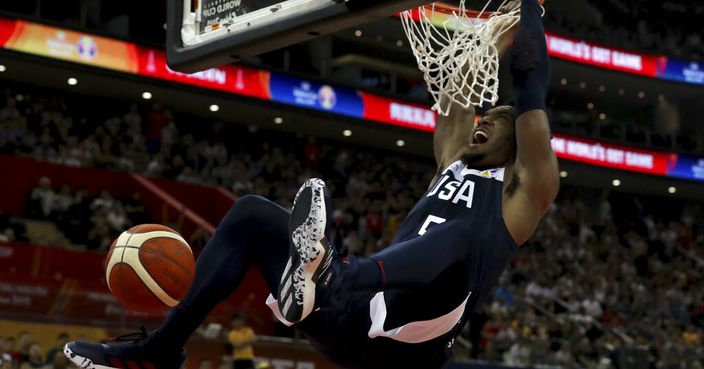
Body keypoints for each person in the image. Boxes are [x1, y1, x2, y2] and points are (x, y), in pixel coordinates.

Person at [63, 1, 558, 368]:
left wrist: (531, 9)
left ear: (518, 139)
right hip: (353, 321)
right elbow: (457, 87)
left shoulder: (523, 193)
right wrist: (485, 39)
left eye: (495, 119)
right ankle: (158, 352)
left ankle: (331, 274)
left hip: (414, 348)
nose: (483, 120)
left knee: (460, 240)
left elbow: (531, 80)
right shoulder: (451, 159)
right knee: (253, 214)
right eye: (484, 115)